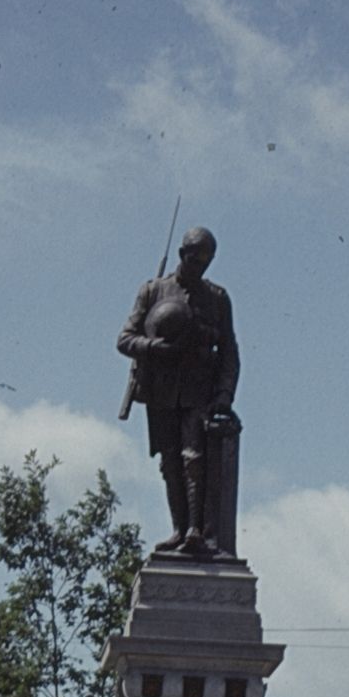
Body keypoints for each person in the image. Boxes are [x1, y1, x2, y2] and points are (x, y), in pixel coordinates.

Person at [118, 226, 239, 555]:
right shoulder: (152, 291)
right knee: (170, 462)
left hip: (199, 390)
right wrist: (153, 347)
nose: (200, 267)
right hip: (161, 390)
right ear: (182, 255)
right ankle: (178, 530)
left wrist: (224, 394)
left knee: (193, 459)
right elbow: (125, 339)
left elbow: (229, 353)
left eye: (206, 262)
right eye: (195, 260)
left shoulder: (217, 298)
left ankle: (196, 530)